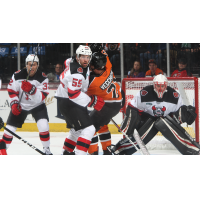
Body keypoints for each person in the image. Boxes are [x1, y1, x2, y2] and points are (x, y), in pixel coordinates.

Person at [109, 74, 198, 155]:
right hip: (148, 120)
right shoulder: (144, 94)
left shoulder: (174, 96)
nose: (160, 88)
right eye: (158, 85)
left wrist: (184, 116)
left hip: (166, 121)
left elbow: (177, 114)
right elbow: (133, 107)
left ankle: (192, 150)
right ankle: (119, 150)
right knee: (138, 138)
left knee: (163, 123)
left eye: (162, 86)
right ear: (154, 85)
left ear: (166, 85)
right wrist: (130, 122)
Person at [55, 45, 105, 155]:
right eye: (83, 57)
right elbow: (73, 94)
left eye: (87, 57)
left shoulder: (72, 60)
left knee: (76, 130)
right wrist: (93, 101)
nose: (86, 59)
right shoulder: (77, 74)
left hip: (65, 100)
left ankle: (66, 152)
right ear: (78, 57)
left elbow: (66, 62)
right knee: (89, 129)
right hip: (69, 102)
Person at [0, 54, 52, 155]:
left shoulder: (42, 77)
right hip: (21, 105)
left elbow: (42, 97)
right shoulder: (17, 75)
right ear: (26, 65)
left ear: (38, 65)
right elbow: (12, 91)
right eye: (29, 64)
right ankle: (2, 151)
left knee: (44, 126)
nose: (31, 67)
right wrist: (14, 104)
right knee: (9, 130)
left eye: (34, 65)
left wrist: (32, 90)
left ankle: (47, 150)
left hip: (37, 106)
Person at [86, 48, 122, 155]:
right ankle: (107, 151)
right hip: (116, 103)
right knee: (102, 126)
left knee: (89, 128)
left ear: (95, 67)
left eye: (91, 64)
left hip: (107, 107)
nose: (90, 66)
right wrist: (100, 49)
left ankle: (93, 153)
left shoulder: (93, 83)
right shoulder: (108, 68)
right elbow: (105, 56)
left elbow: (80, 94)